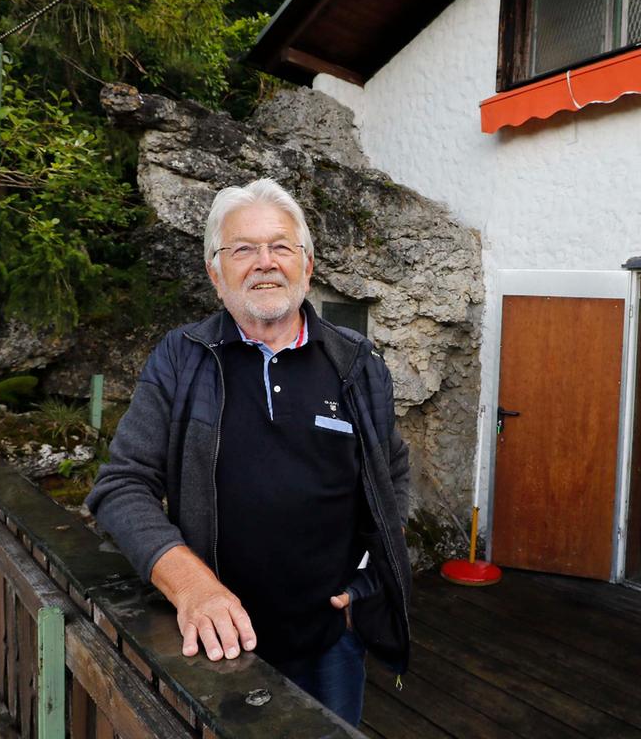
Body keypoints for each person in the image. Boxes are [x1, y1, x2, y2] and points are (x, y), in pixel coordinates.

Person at [85, 178, 411, 726]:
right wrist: (191, 587)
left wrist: (368, 583)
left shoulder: (357, 362)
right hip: (216, 646)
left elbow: (392, 473)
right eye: (243, 249)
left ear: (307, 265)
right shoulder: (182, 358)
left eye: (281, 246)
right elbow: (121, 486)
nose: (265, 263)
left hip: (333, 640)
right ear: (216, 274)